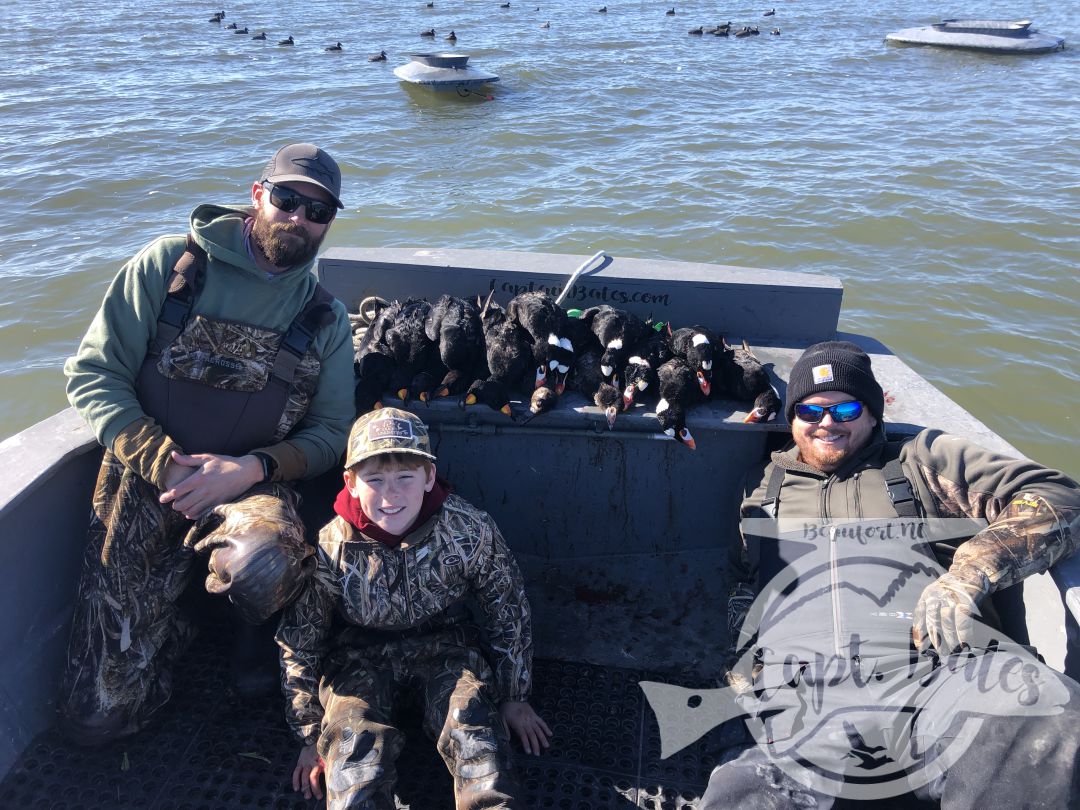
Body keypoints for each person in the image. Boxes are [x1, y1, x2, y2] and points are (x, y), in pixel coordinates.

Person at [59, 143, 356, 745]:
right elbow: (93, 376)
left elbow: (331, 435)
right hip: (148, 478)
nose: (299, 218)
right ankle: (173, 624)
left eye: (318, 211)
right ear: (256, 196)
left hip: (247, 489)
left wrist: (249, 469)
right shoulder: (169, 266)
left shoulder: (326, 317)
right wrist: (161, 464)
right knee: (96, 720)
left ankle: (247, 648)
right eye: (287, 199)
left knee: (266, 563)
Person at [702, 340, 1080, 808]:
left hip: (945, 676)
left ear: (873, 413)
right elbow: (743, 586)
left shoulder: (920, 460)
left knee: (1043, 716)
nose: (827, 422)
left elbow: (1057, 496)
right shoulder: (759, 489)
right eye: (810, 411)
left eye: (845, 408)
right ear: (792, 418)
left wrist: (970, 572)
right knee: (744, 794)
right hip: (809, 701)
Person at [277, 407, 551, 809]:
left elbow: (507, 608)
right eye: (374, 480)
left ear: (428, 477)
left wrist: (514, 695)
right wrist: (309, 735)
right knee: (352, 750)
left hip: (446, 650)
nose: (391, 495)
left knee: (474, 729)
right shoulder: (329, 548)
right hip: (359, 656)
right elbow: (300, 639)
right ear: (350, 483)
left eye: (405, 477)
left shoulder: (468, 529)